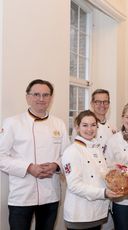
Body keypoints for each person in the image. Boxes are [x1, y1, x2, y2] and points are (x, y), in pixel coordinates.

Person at [0, 79, 70, 230]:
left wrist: (56, 165)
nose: (41, 99)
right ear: (27, 97)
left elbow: (67, 155)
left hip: (51, 193)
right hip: (22, 194)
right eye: (36, 94)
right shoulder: (12, 122)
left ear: (51, 98)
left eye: (46, 95)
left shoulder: (59, 124)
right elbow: (1, 157)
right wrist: (28, 167)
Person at [62, 110, 121, 230]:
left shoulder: (96, 148)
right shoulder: (72, 151)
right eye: (85, 125)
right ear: (77, 127)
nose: (90, 129)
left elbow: (100, 176)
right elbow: (74, 185)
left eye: (93, 125)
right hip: (80, 214)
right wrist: (104, 193)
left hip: (96, 213)